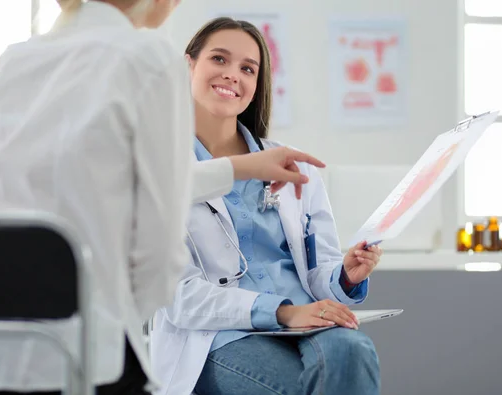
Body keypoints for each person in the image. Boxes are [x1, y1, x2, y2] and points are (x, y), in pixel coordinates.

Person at [0, 1, 326, 395]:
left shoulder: (14, 59)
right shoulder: (147, 59)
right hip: (85, 354)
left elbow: (102, 182)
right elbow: (159, 251)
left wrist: (242, 168)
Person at [149, 17, 383, 395]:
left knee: (353, 351)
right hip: (218, 337)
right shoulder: (160, 169)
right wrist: (282, 312)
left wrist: (346, 275)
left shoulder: (293, 166)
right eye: (219, 60)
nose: (232, 76)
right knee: (297, 387)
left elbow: (318, 270)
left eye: (247, 68)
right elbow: (179, 298)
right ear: (189, 64)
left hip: (309, 323)